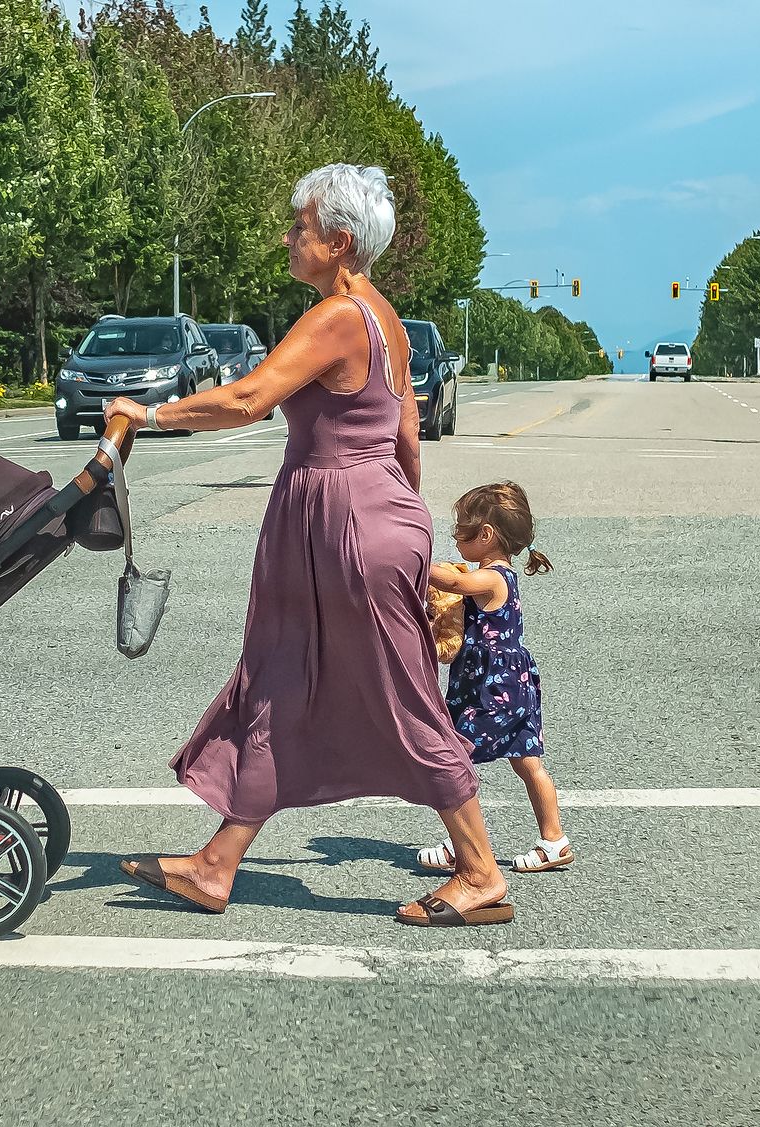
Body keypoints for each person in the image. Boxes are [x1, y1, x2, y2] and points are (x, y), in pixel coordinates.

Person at [106, 163, 512, 928]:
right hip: (361, 520)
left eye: (300, 227)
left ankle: (481, 870)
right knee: (280, 683)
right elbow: (408, 438)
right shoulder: (382, 316)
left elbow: (247, 398)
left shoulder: (338, 319)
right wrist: (409, 531)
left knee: (403, 697)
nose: (288, 237)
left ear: (341, 241)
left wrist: (147, 416)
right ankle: (216, 863)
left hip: (346, 528)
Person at [419, 483, 571, 875]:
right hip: (513, 683)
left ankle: (461, 846)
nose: (455, 536)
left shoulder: (493, 578)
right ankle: (554, 840)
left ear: (485, 535)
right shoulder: (499, 574)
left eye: (460, 529)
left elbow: (454, 584)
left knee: (456, 757)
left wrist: (412, 561)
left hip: (492, 687)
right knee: (528, 762)